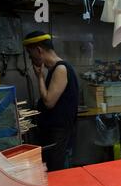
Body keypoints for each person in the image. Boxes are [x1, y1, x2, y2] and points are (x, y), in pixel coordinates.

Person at [23, 31, 79, 171]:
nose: (31, 59)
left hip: (59, 136)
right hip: (54, 134)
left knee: (60, 175)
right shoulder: (55, 69)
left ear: (39, 50)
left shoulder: (60, 68)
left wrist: (40, 77)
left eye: (31, 55)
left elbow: (49, 102)